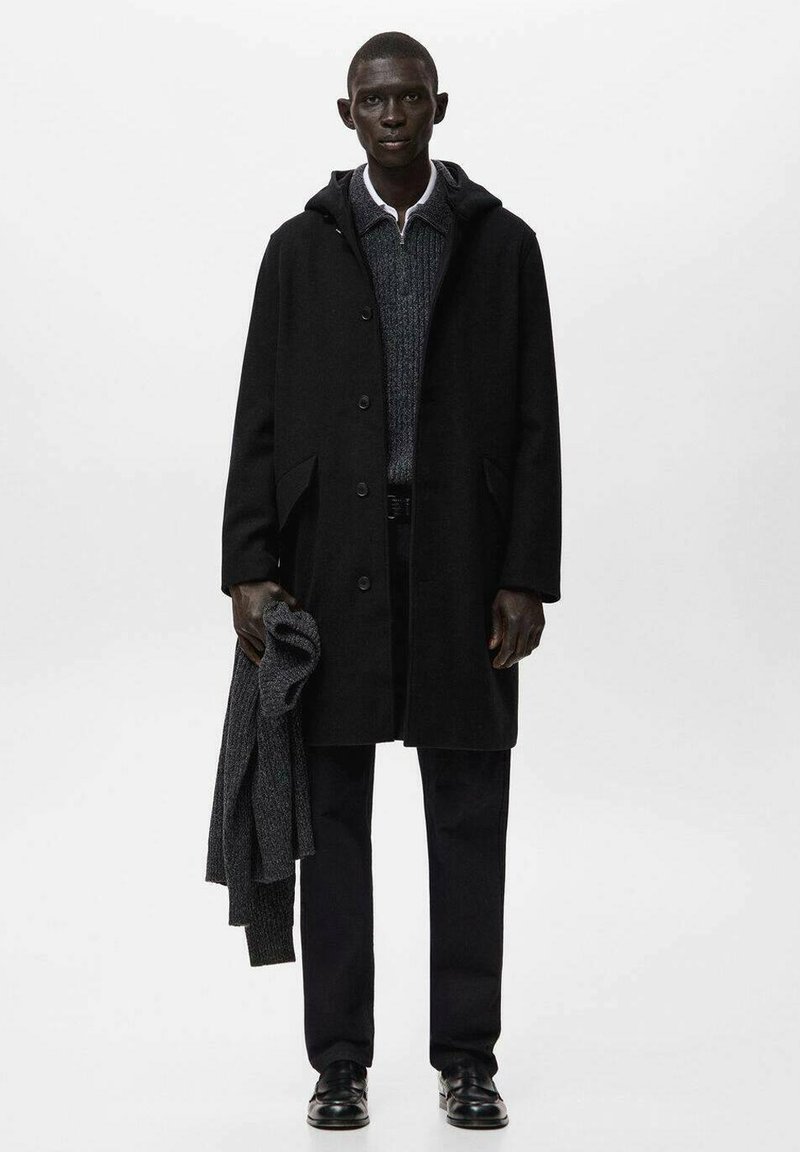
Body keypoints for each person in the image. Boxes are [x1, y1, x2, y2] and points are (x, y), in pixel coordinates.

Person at [220, 30, 562, 1131]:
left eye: (410, 97)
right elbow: (260, 415)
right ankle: (339, 1062)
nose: (393, 115)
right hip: (333, 565)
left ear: (439, 106)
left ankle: (467, 1057)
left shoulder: (502, 245)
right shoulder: (298, 250)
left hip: (465, 566)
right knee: (332, 818)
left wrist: (526, 574)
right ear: (346, 115)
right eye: (374, 101)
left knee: (468, 811)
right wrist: (248, 567)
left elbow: (536, 420)